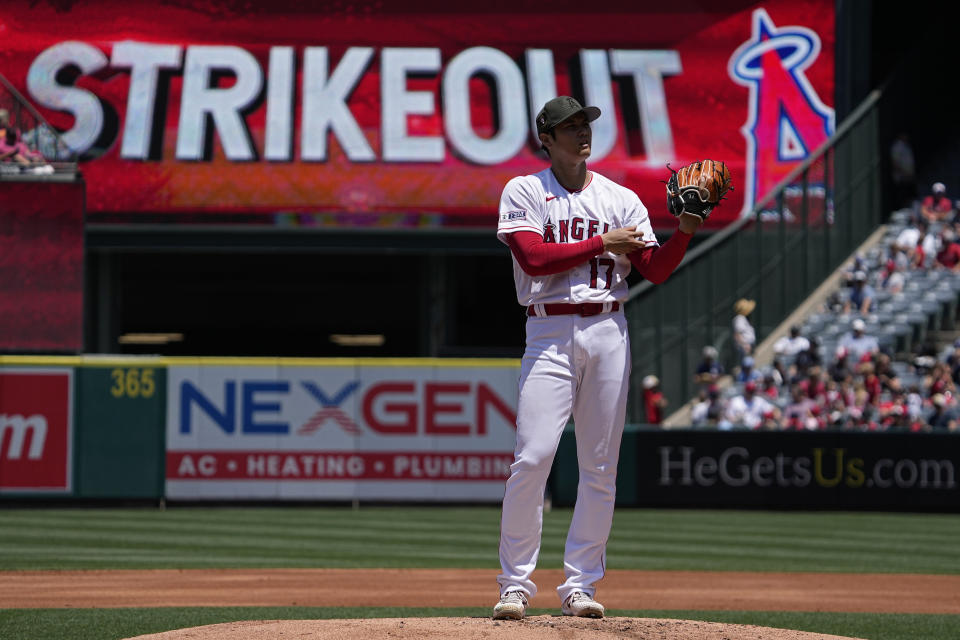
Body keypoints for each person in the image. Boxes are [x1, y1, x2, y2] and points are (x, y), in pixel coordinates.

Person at [493, 96, 704, 620]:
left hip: (609, 327)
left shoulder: (621, 198)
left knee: (601, 466)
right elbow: (532, 258)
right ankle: (515, 585)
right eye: (569, 127)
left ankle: (580, 585)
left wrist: (686, 233)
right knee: (534, 456)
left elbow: (652, 270)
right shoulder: (524, 190)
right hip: (548, 327)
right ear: (546, 138)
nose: (581, 134)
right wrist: (600, 243)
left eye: (585, 124)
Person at [889, 133, 916, 210]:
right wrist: (904, 173)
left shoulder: (906, 146)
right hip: (901, 176)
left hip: (908, 175)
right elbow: (895, 162)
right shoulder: (897, 147)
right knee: (901, 195)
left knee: (909, 195)